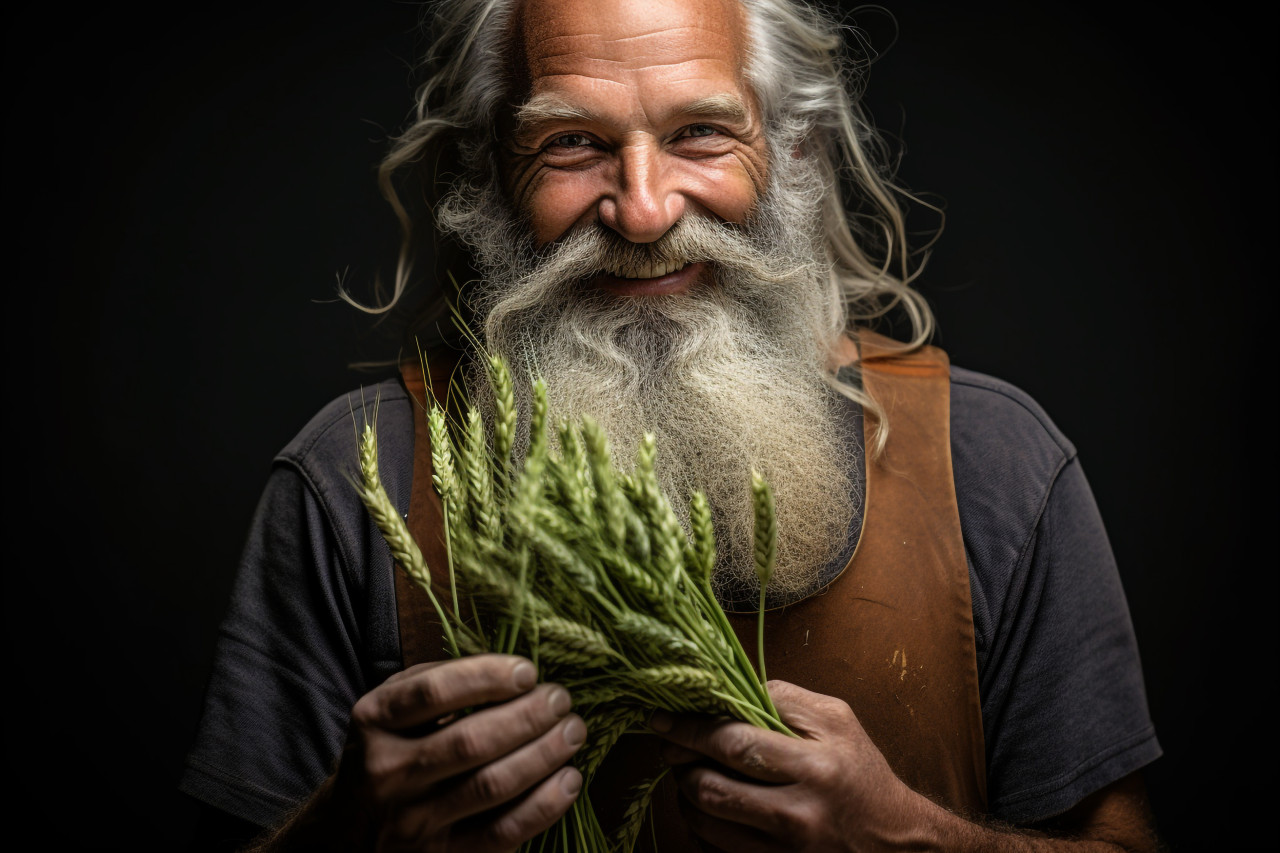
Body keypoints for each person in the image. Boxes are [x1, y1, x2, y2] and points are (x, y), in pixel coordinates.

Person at [180, 0, 1164, 850]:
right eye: (572, 142)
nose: (644, 212)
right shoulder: (353, 480)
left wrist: (903, 837)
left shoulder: (994, 465)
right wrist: (347, 832)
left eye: (700, 132)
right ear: (491, 176)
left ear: (792, 150)